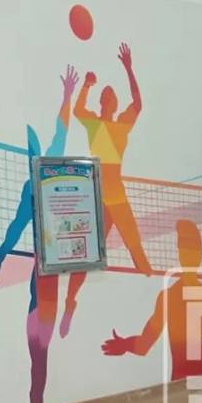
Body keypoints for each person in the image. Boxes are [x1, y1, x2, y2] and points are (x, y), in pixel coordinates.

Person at [0, 65, 82, 403]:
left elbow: (61, 130)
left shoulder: (45, 171)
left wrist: (68, 95)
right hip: (45, 261)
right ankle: (38, 375)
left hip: (57, 257)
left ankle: (39, 376)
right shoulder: (31, 185)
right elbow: (14, 229)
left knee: (42, 325)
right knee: (35, 320)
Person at [101, 220, 202, 381]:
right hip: (185, 383)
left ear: (199, 254)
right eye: (186, 248)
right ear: (180, 253)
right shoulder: (174, 298)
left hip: (193, 383)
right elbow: (144, 345)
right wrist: (125, 344)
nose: (189, 254)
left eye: (192, 249)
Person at [74, 42, 152, 278]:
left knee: (130, 238)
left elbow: (138, 103)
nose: (109, 97)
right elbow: (77, 110)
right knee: (98, 241)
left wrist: (129, 69)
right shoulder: (95, 124)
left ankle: (143, 267)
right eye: (106, 95)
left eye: (111, 95)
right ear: (104, 103)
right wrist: (86, 85)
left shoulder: (119, 126)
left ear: (115, 104)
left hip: (112, 190)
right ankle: (78, 274)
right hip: (101, 191)